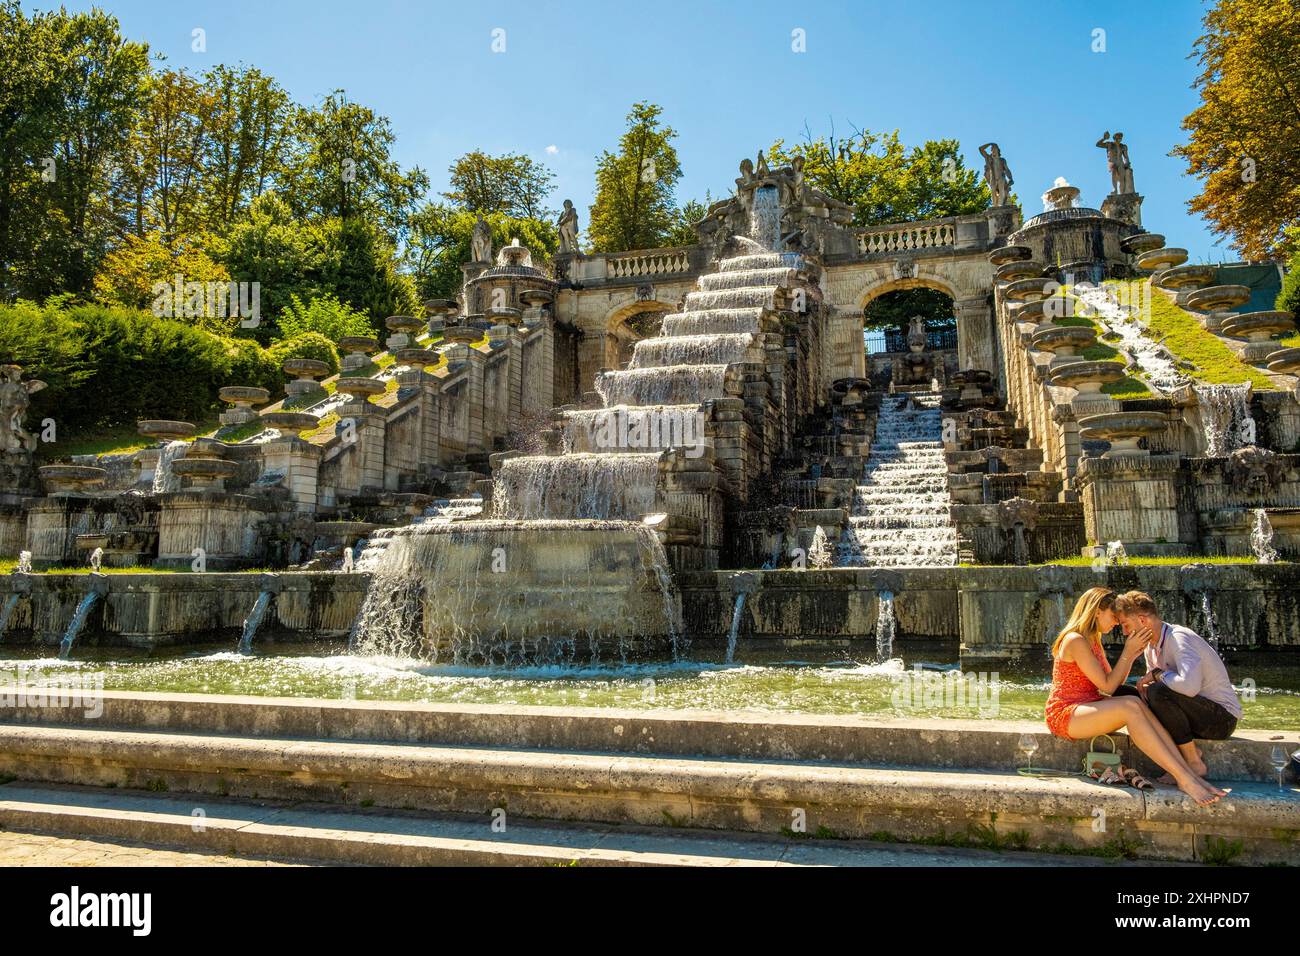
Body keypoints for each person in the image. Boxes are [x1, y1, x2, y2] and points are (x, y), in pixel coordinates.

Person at [1045, 587, 1224, 806]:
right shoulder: (1076, 640)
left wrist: (1131, 655)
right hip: (1066, 714)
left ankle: (1188, 772)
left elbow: (1111, 684)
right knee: (1130, 706)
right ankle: (1185, 779)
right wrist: (1128, 654)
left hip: (1090, 707)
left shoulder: (1093, 640)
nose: (1116, 624)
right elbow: (1108, 687)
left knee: (1135, 702)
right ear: (1097, 611)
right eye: (1113, 617)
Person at [1113, 591, 1241, 784]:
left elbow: (1188, 687)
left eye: (1125, 625)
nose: (1123, 632)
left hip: (1220, 720)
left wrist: (1157, 675)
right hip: (1191, 715)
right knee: (1125, 694)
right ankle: (1177, 757)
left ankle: (1193, 761)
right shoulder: (1151, 646)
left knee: (1158, 691)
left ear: (1142, 620)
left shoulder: (1179, 638)